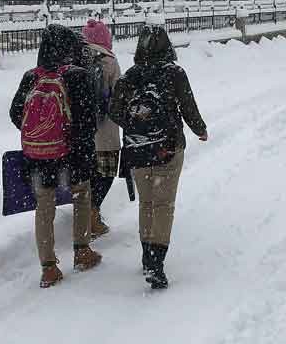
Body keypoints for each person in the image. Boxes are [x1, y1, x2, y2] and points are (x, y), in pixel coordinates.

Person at [109, 24, 208, 290]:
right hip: (167, 147)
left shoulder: (129, 76)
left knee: (147, 203)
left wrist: (135, 123)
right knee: (163, 205)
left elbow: (113, 111)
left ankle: (146, 255)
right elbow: (188, 106)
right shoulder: (174, 73)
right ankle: (156, 262)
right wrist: (200, 129)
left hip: (137, 149)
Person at [10, 24, 102, 289]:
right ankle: (82, 251)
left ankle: (48, 267)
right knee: (81, 196)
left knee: (44, 206)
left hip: (38, 156)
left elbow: (16, 113)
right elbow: (88, 120)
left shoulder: (31, 76)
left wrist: (42, 132)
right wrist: (72, 140)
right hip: (73, 154)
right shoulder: (77, 76)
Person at [82, 19, 123, 238]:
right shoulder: (109, 61)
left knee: (84, 175)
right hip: (105, 132)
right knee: (105, 174)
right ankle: (92, 214)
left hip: (80, 132)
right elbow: (120, 95)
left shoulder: (73, 58)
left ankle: (84, 214)